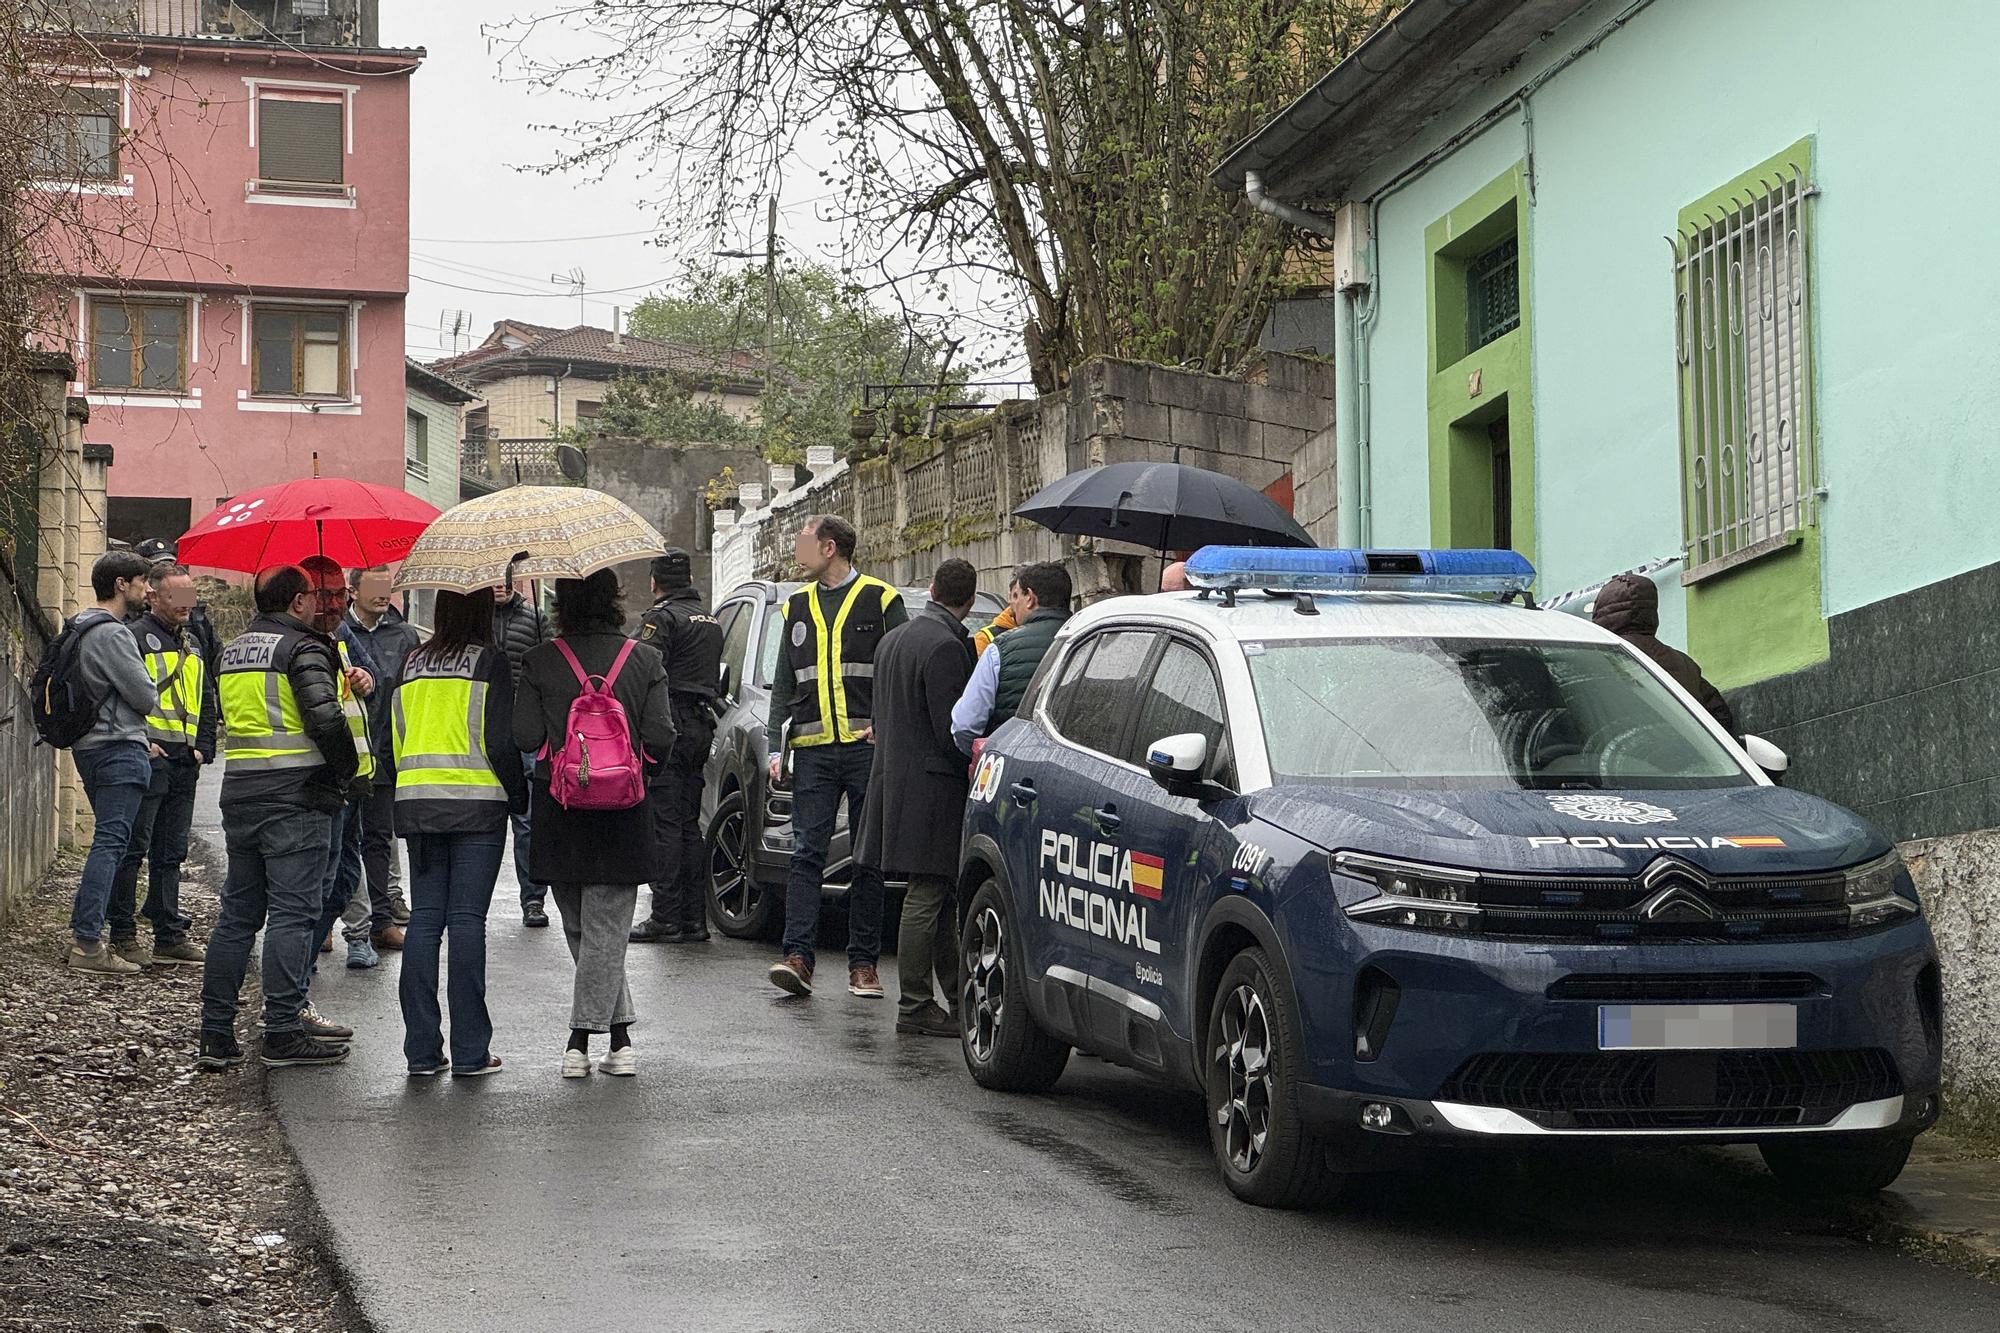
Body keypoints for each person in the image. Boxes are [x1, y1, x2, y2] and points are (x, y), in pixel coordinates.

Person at [198, 564, 362, 1070]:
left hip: (242, 793)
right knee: (294, 915)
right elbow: (326, 719)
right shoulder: (303, 647)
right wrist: (346, 771)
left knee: (238, 916)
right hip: (296, 797)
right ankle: (284, 1030)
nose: (321, 603)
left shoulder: (235, 650)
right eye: (314, 595)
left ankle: (216, 1033)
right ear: (296, 602)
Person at [512, 568, 672, 1078]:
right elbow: (662, 735)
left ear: (562, 603)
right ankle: (619, 1041)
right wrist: (638, 771)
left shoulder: (540, 659)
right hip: (624, 808)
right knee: (604, 930)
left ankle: (578, 1042)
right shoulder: (644, 659)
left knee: (583, 925)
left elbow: (524, 735)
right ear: (615, 600)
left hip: (561, 809)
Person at [764, 515, 907, 998]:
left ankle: (863, 966)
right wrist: (773, 745)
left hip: (867, 751)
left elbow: (901, 670)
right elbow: (785, 681)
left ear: (828, 548)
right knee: (807, 853)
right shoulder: (796, 605)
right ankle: (797, 958)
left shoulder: (882, 599)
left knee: (867, 860)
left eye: (805, 543)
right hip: (812, 750)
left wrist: (887, 728)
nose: (798, 551)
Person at [392, 589, 528, 1078]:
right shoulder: (488, 662)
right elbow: (500, 740)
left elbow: (395, 737)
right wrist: (519, 797)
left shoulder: (410, 662)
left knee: (426, 921)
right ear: (482, 612)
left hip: (418, 804)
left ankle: (421, 1053)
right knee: (467, 921)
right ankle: (471, 1053)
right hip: (477, 805)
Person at [856, 559, 979, 1036]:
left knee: (937, 894)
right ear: (968, 601)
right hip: (931, 788)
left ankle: (952, 997)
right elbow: (952, 729)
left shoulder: (895, 638)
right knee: (927, 895)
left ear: (931, 589)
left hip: (893, 780)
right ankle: (914, 1002)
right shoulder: (947, 645)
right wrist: (970, 765)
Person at [104, 563, 216, 967]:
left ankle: (168, 933)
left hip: (185, 759)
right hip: (151, 757)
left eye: (190, 596)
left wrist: (204, 746)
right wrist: (144, 741)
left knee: (171, 852)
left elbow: (206, 694)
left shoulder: (194, 640)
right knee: (134, 848)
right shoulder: (133, 638)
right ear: (152, 596)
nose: (186, 604)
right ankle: (122, 933)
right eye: (176, 596)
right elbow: (118, 694)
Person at [297, 557, 389, 1014]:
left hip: (352, 780)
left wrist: (365, 679)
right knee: (319, 878)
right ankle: (295, 975)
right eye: (323, 595)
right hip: (318, 781)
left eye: (338, 595)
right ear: (301, 597)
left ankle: (310, 953)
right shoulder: (293, 642)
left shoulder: (341, 635)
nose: (333, 604)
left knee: (344, 873)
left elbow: (374, 679)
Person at [65, 550, 159, 976]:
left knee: (108, 841)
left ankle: (89, 935)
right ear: (122, 584)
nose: (148, 589)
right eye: (142, 581)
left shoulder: (78, 625)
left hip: (88, 746)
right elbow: (145, 696)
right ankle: (87, 942)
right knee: (111, 843)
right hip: (118, 747)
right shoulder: (113, 634)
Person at [630, 550, 724, 945]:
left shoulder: (661, 618)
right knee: (689, 824)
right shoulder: (710, 620)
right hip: (702, 724)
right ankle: (694, 918)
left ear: (656, 582)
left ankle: (665, 916)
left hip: (672, 723)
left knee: (665, 823)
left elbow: (642, 669)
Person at [341, 565, 421, 966]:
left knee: (377, 837)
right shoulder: (339, 632)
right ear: (352, 591)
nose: (381, 595)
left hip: (388, 750)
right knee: (339, 842)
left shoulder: (404, 634)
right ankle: (327, 922)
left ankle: (381, 920)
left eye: (386, 588)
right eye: (372, 587)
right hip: (347, 749)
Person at [1591, 572, 1736, 734]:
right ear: (1651, 614)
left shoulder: (1600, 661)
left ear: (1600, 615)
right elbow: (1720, 716)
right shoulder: (1684, 663)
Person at [952, 561, 1072, 755]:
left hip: (1012, 764)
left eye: (1018, 596)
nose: (1012, 604)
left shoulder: (1000, 648)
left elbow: (965, 725)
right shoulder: (1090, 641)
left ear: (1030, 598)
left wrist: (985, 758)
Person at [494, 578, 554, 927]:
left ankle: (533, 899)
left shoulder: (534, 618)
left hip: (525, 727)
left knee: (527, 820)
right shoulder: (474, 619)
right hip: (486, 726)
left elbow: (548, 666)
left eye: (505, 580)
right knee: (484, 819)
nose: (499, 586)